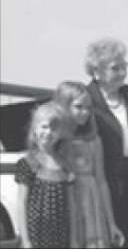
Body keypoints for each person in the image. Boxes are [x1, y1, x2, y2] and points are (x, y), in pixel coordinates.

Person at [84, 37, 128, 248]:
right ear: (96, 71)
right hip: (104, 178)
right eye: (115, 68)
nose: (122, 73)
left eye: (124, 67)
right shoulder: (86, 100)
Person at [53, 81, 124, 248]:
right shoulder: (56, 140)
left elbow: (101, 180)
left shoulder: (94, 140)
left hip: (91, 205)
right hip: (66, 203)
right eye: (78, 107)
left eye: (89, 107)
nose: (85, 112)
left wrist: (111, 222)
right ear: (63, 106)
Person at [15, 102, 73, 248]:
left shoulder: (65, 165)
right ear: (35, 129)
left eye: (54, 128)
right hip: (36, 234)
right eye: (44, 126)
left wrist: (74, 238)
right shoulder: (28, 163)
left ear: (60, 134)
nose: (48, 132)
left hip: (61, 233)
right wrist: (25, 240)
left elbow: (71, 205)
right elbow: (21, 203)